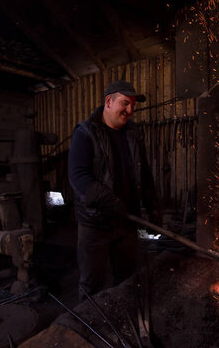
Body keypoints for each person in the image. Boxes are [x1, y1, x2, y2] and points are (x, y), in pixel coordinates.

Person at [68, 80, 159, 300]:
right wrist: (108, 201)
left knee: (126, 278)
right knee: (92, 283)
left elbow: (143, 173)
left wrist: (153, 207)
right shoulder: (85, 133)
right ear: (109, 101)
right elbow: (78, 176)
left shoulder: (133, 134)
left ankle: (122, 322)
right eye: (125, 103)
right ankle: (89, 326)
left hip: (127, 222)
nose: (130, 110)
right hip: (95, 224)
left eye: (133, 105)